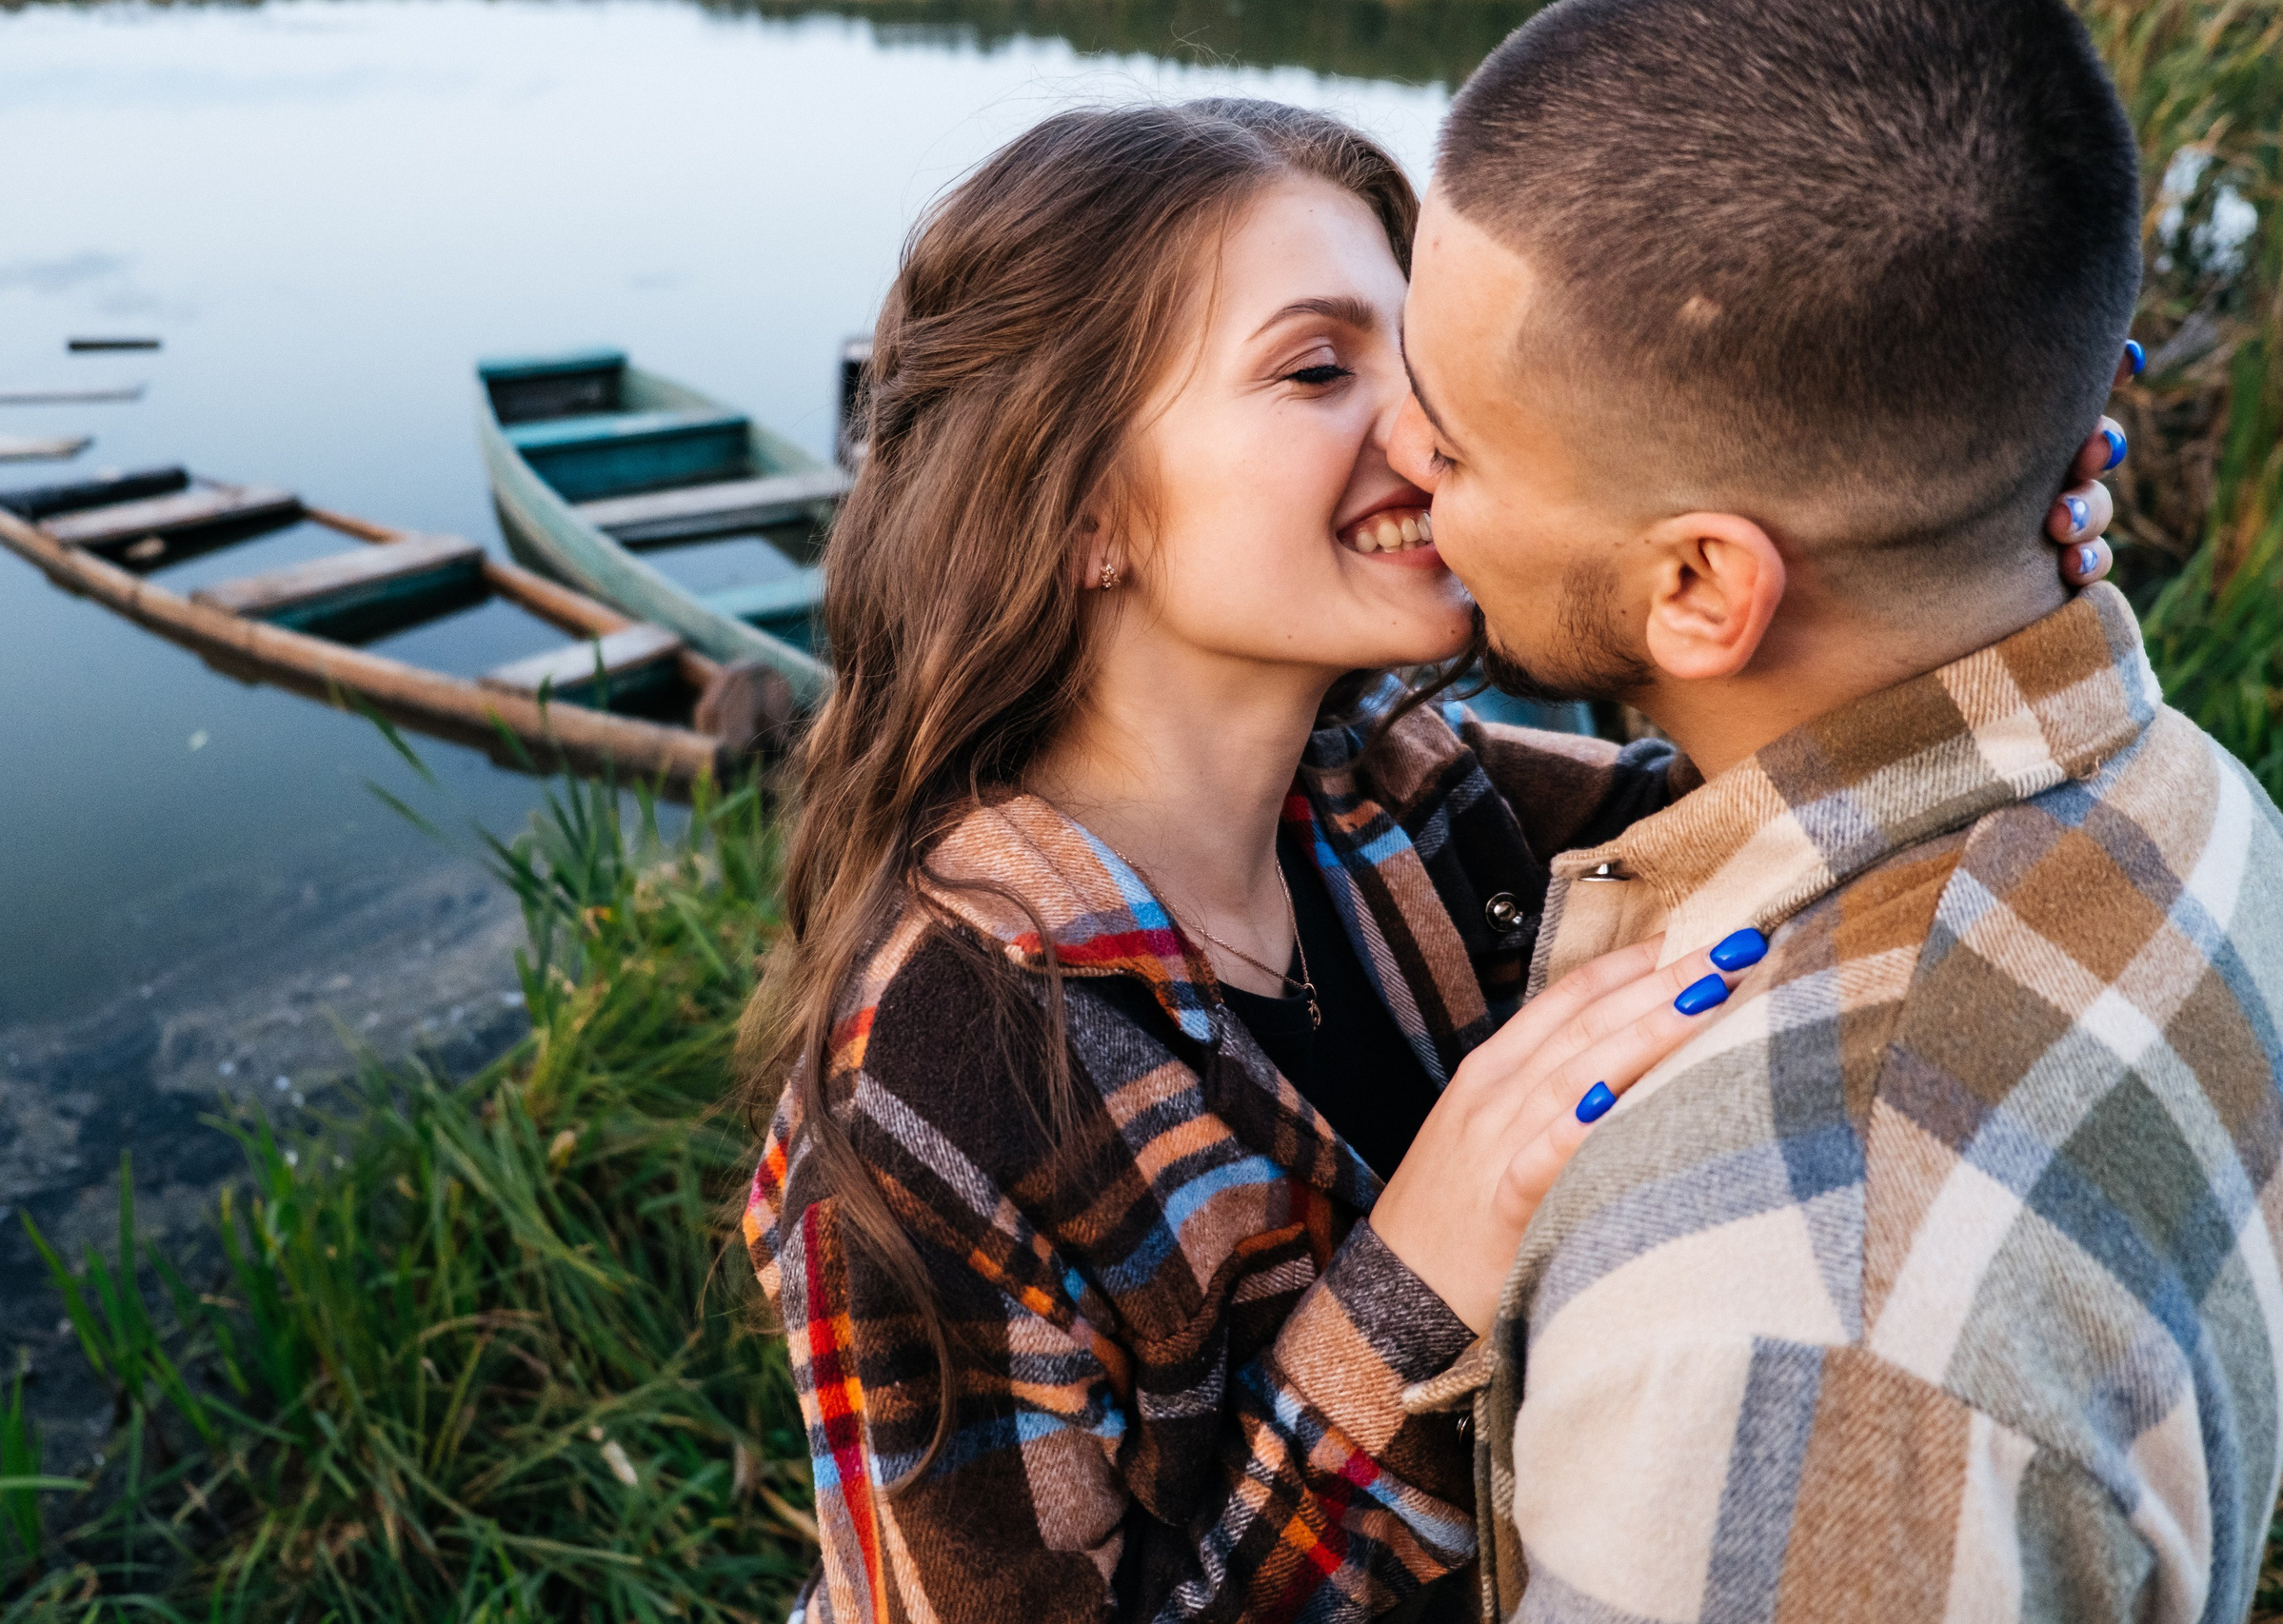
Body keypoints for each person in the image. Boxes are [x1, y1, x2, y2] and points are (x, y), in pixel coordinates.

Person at [741, 97, 2122, 1623]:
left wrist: (1958, 551)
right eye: (1316, 369)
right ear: (1077, 512)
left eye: (1417, 359)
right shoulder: (938, 1075)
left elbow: (1786, 798)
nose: (1427, 432)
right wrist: (1410, 1288)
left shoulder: (1402, 793)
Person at [1385, 2, 2283, 1620]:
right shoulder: (2195, 798)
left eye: (1449, 447)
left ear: (1698, 584)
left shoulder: (1774, 1342)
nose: (1393, 448)